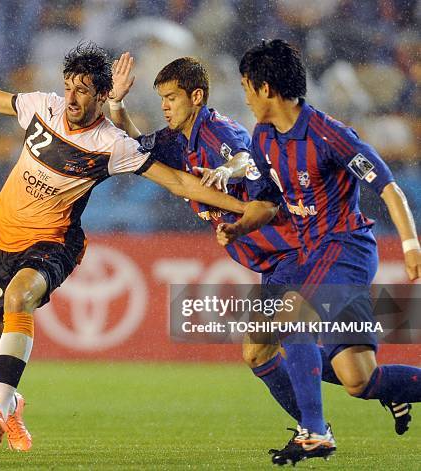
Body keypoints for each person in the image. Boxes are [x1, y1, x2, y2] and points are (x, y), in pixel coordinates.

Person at [0, 31, 249, 451]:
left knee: (19, 298)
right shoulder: (40, 107)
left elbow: (179, 182)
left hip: (54, 242)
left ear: (102, 96)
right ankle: (11, 403)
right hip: (0, 241)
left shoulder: (111, 144)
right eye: (68, 86)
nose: (71, 97)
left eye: (83, 91)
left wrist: (241, 208)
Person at [108, 53, 415, 461]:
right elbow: (138, 150)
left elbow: (244, 159)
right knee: (309, 364)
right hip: (277, 259)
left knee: (292, 317)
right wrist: (116, 104)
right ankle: (379, 392)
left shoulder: (227, 131)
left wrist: (228, 173)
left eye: (171, 98)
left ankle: (315, 430)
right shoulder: (193, 139)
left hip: (308, 249)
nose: (164, 106)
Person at [220, 39, 421, 465]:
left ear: (266, 88)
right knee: (359, 380)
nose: (245, 96)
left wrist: (410, 243)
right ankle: (390, 395)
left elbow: (388, 186)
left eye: (246, 86)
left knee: (291, 319)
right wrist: (239, 226)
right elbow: (268, 201)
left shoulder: (329, 134)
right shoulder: (264, 138)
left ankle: (314, 432)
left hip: (345, 248)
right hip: (313, 256)